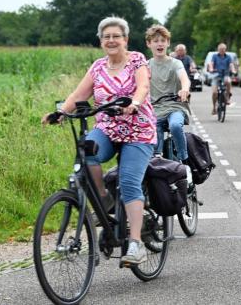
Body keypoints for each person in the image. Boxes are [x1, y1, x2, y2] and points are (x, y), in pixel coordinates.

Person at [42, 16, 156, 265]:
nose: (111, 40)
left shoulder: (136, 59)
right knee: (87, 149)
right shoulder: (97, 67)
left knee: (128, 182)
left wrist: (134, 103)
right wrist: (61, 112)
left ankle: (135, 244)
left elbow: (143, 86)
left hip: (139, 130)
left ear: (125, 40)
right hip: (107, 127)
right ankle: (104, 198)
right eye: (107, 37)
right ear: (101, 41)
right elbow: (79, 94)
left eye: (116, 36)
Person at [145, 25, 191, 163]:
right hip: (155, 109)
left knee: (175, 125)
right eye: (155, 40)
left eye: (163, 40)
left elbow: (184, 78)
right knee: (154, 129)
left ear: (168, 43)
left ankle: (184, 158)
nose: (160, 44)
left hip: (175, 106)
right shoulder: (146, 66)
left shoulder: (176, 63)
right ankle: (156, 158)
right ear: (149, 44)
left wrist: (184, 89)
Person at [208, 43, 236, 114]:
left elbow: (231, 64)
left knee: (228, 81)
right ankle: (214, 108)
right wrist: (211, 69)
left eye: (223, 49)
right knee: (214, 92)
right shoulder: (214, 56)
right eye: (220, 49)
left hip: (225, 75)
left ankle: (227, 98)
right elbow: (211, 63)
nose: (222, 51)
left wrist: (233, 70)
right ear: (218, 50)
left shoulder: (228, 57)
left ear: (225, 50)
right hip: (216, 75)